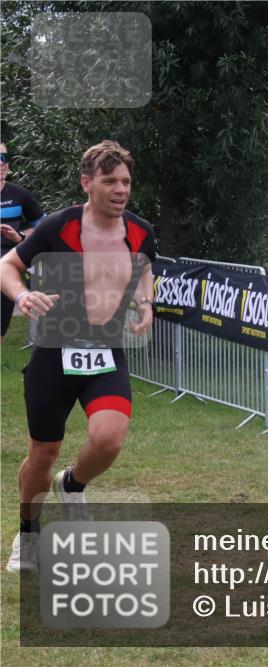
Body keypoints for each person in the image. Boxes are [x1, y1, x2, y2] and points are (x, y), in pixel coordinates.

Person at [1, 140, 156, 572]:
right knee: (43, 453)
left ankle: (72, 485)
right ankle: (28, 533)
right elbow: (7, 266)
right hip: (55, 353)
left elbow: (146, 267)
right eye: (110, 181)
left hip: (105, 352)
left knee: (109, 439)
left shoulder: (140, 230)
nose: (120, 189)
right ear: (87, 183)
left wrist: (146, 303)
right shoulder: (58, 226)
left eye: (126, 181)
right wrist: (23, 295)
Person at [0, 141, 46, 343]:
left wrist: (19, 237)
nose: (1, 163)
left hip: (6, 270)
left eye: (4, 158)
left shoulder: (20, 195)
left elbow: (42, 225)